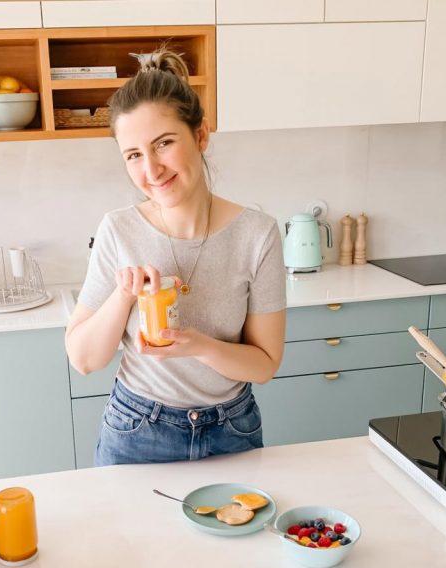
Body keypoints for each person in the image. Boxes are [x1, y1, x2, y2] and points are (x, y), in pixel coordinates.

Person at [65, 48, 286, 466]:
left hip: (232, 430)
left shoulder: (257, 234)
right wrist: (124, 296)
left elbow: (264, 365)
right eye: (133, 155)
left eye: (163, 144)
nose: (151, 170)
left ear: (201, 135)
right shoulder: (119, 230)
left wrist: (197, 346)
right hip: (137, 430)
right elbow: (83, 359)